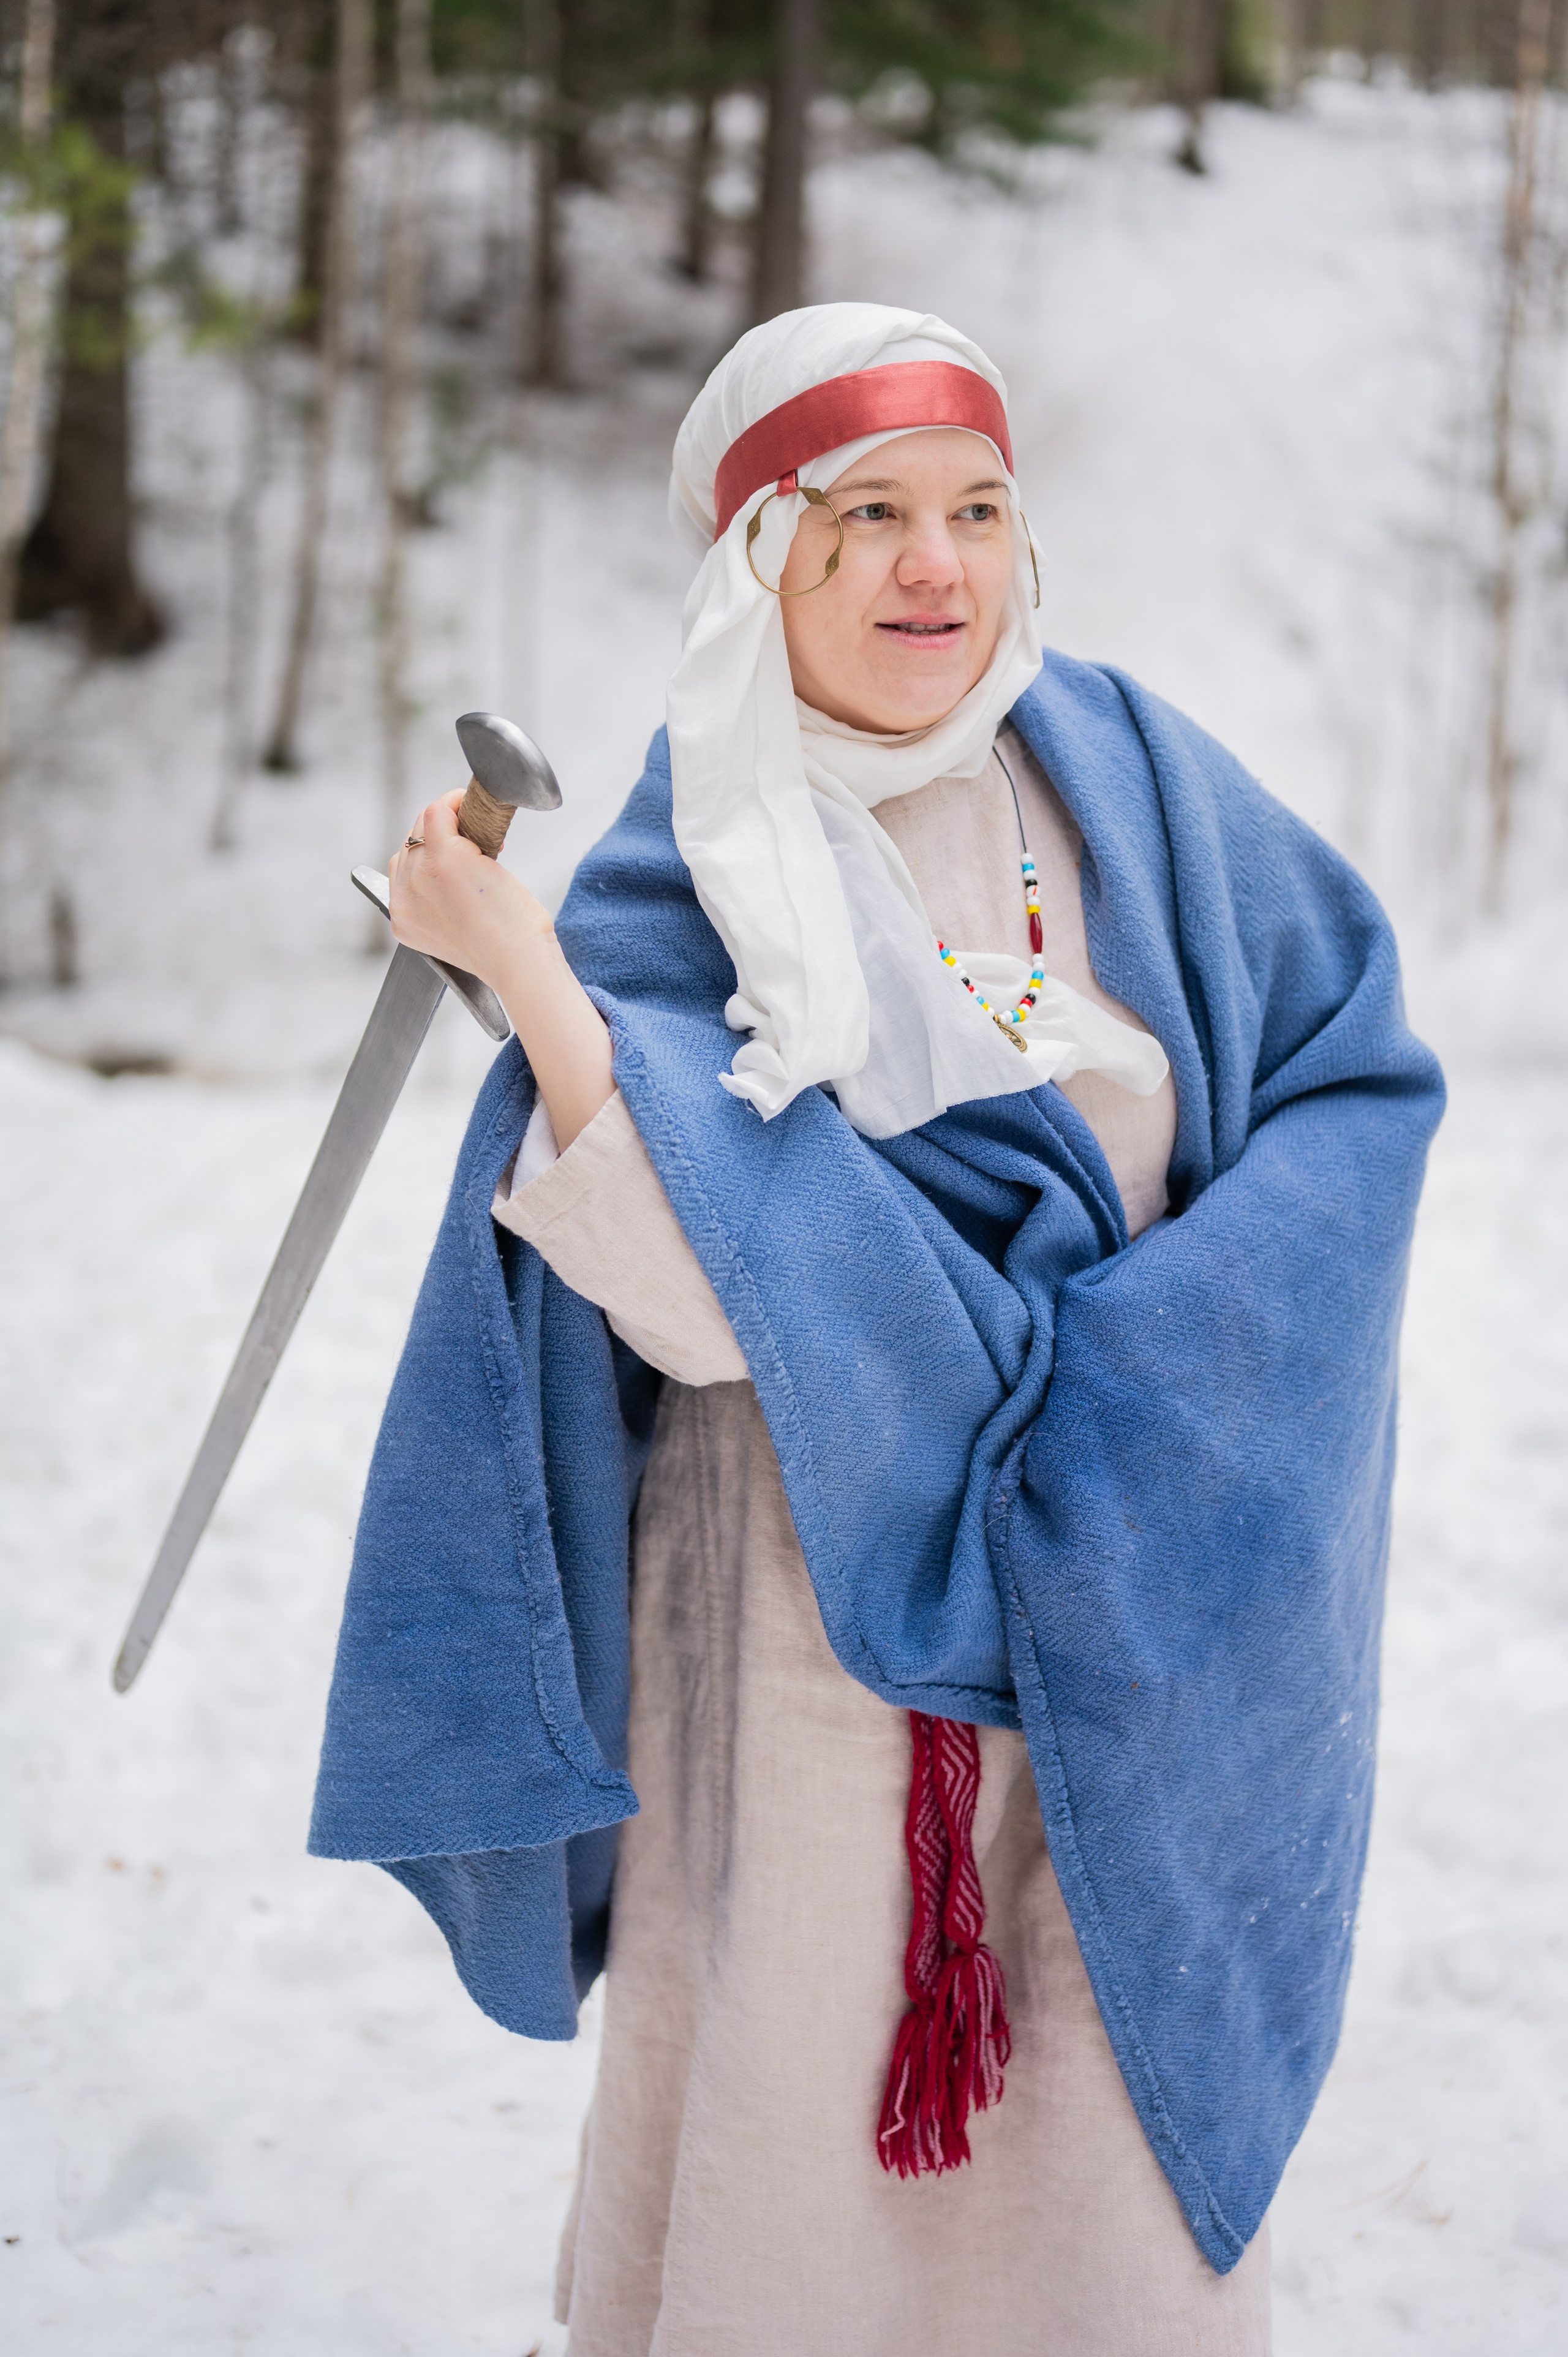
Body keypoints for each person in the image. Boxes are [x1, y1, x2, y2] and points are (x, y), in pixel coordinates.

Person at [309, 304, 1444, 2356]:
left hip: (1137, 1601)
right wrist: (529, 979)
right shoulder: (697, 859)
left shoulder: (1140, 789)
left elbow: (1354, 1083)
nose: (941, 566)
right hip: (807, 1628)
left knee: (1091, 2132)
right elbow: (703, 1287)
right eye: (871, 518)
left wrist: (1156, 1385)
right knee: (814, 2127)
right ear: (763, 555)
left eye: (980, 510)